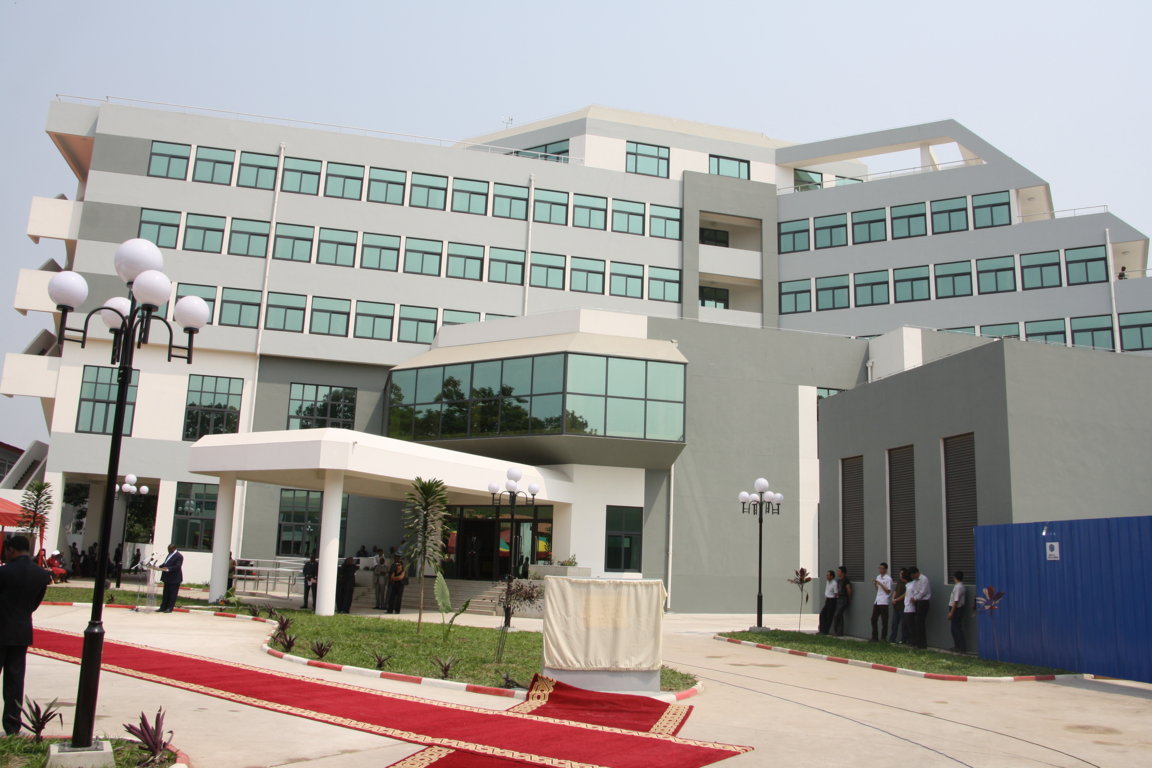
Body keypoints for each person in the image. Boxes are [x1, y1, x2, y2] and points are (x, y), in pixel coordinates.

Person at [0, 535, 52, 736]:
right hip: (21, 631)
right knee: (15, 682)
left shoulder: (4, 572)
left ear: (11, 550)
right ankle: (13, 726)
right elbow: (35, 604)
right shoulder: (40, 575)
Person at [157, 544, 183, 613]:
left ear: (174, 549)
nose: (168, 551)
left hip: (174, 578)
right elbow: (165, 564)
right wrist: (158, 567)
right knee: (165, 594)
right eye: (168, 549)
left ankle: (169, 608)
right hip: (167, 578)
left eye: (169, 549)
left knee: (172, 594)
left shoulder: (179, 556)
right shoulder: (169, 555)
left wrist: (168, 568)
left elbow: (177, 566)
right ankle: (163, 607)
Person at [910, 565, 931, 649]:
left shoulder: (924, 579)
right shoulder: (915, 581)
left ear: (915, 573)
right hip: (917, 602)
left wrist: (915, 598)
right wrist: (914, 598)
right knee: (917, 622)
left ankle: (922, 644)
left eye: (912, 575)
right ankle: (918, 642)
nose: (912, 577)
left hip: (923, 602)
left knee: (920, 622)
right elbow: (915, 591)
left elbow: (923, 592)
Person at [870, 562, 892, 641]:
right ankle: (874, 637)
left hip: (884, 601)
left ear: (885, 569)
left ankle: (883, 638)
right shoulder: (878, 576)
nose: (880, 570)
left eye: (882, 568)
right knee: (873, 619)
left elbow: (888, 591)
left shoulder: (888, 579)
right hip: (877, 600)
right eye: (879, 568)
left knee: (884, 620)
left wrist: (880, 583)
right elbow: (877, 589)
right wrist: (875, 584)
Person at [948, 571, 967, 653]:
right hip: (958, 608)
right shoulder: (960, 586)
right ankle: (958, 646)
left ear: (955, 577)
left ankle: (960, 647)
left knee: (956, 629)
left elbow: (956, 601)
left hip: (956, 609)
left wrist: (951, 612)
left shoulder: (958, 587)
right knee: (955, 628)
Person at [831, 566, 852, 636]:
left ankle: (838, 631)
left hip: (843, 599)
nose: (837, 573)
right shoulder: (839, 581)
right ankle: (839, 632)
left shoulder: (846, 580)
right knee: (839, 616)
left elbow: (849, 590)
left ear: (842, 572)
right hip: (839, 598)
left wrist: (849, 599)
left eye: (839, 571)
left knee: (837, 615)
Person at [890, 568, 909, 642]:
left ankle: (904, 640)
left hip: (903, 606)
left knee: (904, 624)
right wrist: (893, 598)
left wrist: (896, 600)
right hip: (896, 606)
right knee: (894, 623)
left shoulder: (908, 583)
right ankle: (892, 639)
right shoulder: (899, 581)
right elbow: (895, 590)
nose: (900, 575)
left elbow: (905, 594)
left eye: (901, 574)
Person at [817, 570, 838, 634]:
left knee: (829, 616)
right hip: (827, 600)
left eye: (828, 575)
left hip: (832, 601)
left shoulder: (834, 583)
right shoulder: (827, 582)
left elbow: (836, 593)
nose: (827, 576)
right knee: (822, 615)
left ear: (832, 576)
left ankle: (825, 631)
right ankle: (821, 629)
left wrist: (834, 602)